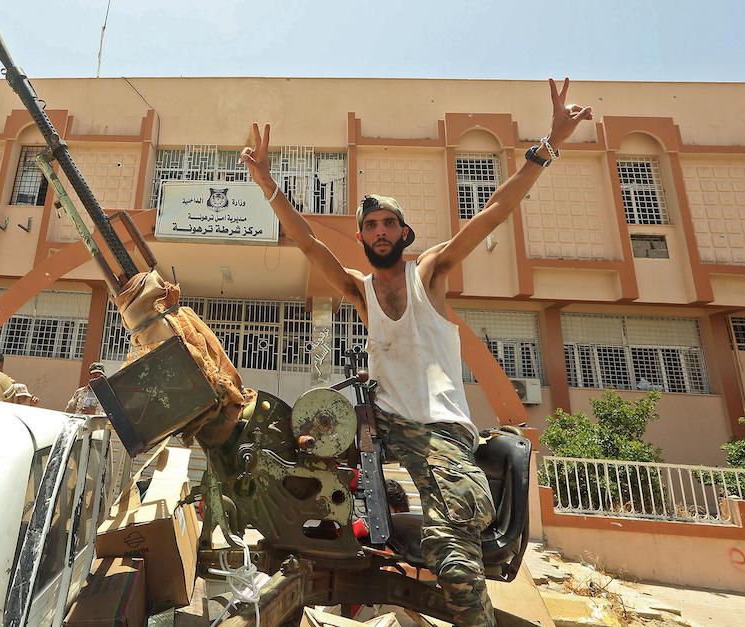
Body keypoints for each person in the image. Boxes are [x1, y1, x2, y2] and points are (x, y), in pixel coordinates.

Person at [240, 78, 591, 626]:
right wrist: (265, 181)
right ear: (362, 238)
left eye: (388, 224)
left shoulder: (430, 273)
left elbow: (494, 211)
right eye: (370, 226)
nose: (380, 231)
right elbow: (307, 241)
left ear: (404, 233)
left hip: (437, 428)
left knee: (455, 556)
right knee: (281, 439)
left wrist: (549, 144)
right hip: (379, 421)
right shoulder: (359, 290)